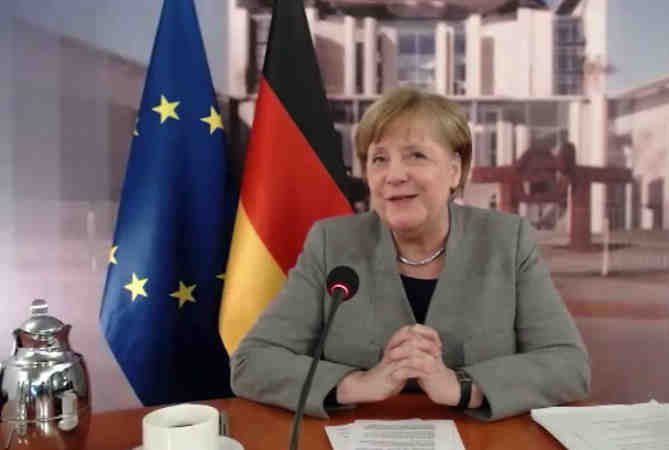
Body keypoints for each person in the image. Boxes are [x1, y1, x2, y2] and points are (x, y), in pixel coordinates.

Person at [230, 87, 589, 421]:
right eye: (379, 159)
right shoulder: (331, 243)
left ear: (455, 170)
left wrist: (464, 387)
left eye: (416, 155)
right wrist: (357, 383)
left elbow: (569, 366)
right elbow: (251, 362)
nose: (394, 175)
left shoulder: (506, 241)